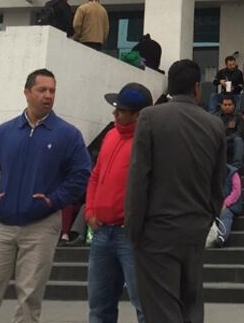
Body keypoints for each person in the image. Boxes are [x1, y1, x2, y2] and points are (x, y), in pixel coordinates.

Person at [0, 68, 92, 323]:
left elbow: (80, 175)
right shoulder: (4, 132)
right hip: (1, 225)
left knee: (29, 298)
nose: (48, 96)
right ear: (27, 92)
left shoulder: (67, 134)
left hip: (42, 225)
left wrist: (54, 200)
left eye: (52, 91)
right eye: (42, 90)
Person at [125, 59, 227, 323]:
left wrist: (134, 229)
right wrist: (205, 221)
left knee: (161, 307)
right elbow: (218, 187)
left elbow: (138, 179)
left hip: (156, 231)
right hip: (194, 230)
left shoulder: (150, 117)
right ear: (196, 87)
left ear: (170, 85)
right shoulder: (215, 125)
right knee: (191, 304)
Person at [85, 83, 152, 323]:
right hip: (102, 232)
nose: (114, 114)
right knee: (99, 308)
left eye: (121, 110)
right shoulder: (111, 134)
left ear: (137, 115)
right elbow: (95, 175)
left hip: (131, 236)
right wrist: (90, 212)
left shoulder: (149, 141)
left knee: (145, 307)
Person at [211, 166, 242, 248]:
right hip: (216, 203)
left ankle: (221, 238)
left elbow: (236, 191)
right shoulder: (213, 173)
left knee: (225, 216)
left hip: (230, 205)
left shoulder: (233, 173)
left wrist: (225, 203)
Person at [215, 96, 244, 169]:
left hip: (232, 143)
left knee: (238, 140)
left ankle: (236, 167)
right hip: (221, 143)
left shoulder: (239, 116)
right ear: (221, 106)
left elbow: (240, 133)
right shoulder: (215, 117)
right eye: (225, 105)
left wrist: (227, 138)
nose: (227, 107)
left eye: (229, 105)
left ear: (233, 105)